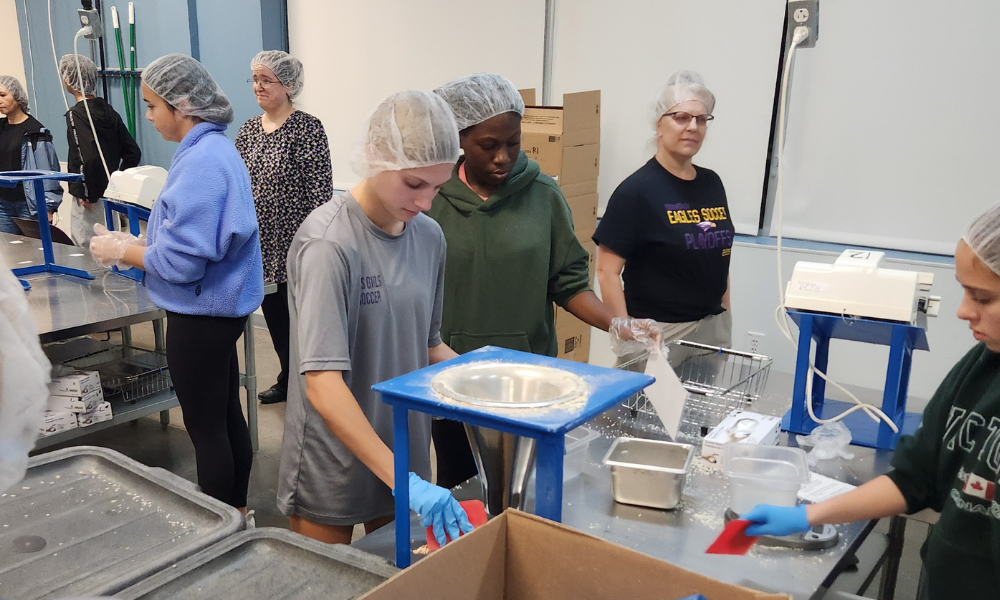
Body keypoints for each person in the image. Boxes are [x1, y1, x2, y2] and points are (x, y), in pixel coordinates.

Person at [744, 202, 1000, 600]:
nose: (963, 311)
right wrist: (806, 515)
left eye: (982, 298)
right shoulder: (981, 367)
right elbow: (914, 480)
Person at [427, 73, 659, 488]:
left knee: (524, 491)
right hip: (452, 375)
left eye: (513, 143)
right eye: (488, 145)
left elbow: (568, 283)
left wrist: (617, 323)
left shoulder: (542, 196)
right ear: (458, 139)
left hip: (529, 380)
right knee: (459, 488)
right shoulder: (430, 199)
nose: (503, 157)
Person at [277, 89, 472, 547]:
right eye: (413, 184)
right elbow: (323, 384)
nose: (426, 202)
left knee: (394, 584)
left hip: (403, 450)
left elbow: (429, 345)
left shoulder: (429, 238)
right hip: (335, 463)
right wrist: (405, 482)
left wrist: (489, 389)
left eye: (438, 187)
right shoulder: (329, 245)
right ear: (373, 158)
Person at [89, 54, 264, 513]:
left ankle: (217, 525)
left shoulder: (203, 162)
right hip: (218, 310)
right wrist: (143, 241)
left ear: (181, 104)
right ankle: (238, 511)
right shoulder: (212, 150)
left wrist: (122, 251)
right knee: (226, 417)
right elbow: (194, 236)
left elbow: (184, 264)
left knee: (206, 428)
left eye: (151, 106)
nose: (147, 116)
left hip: (200, 314)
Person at [594, 70, 734, 369]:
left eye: (701, 119)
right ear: (659, 124)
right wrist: (628, 334)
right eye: (681, 117)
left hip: (711, 328)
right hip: (658, 332)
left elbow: (719, 255)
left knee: (703, 416)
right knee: (644, 415)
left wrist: (725, 315)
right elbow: (606, 271)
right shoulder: (637, 190)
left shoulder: (712, 184)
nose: (692, 126)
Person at [235, 50, 332, 406]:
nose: (258, 86)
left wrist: (318, 245)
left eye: (266, 80)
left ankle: (314, 385)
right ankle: (288, 378)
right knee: (276, 319)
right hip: (260, 246)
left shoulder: (307, 128)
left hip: (297, 245)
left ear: (288, 85)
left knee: (304, 323)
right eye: (255, 80)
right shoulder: (248, 130)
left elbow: (320, 191)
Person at [59, 54, 142, 248]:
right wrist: (115, 186)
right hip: (110, 198)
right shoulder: (109, 110)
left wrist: (88, 194)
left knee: (87, 253)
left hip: (89, 199)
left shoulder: (77, 114)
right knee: (110, 250)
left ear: (70, 80)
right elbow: (133, 152)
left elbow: (86, 156)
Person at [0, 75, 62, 234]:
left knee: (34, 250)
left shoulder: (35, 132)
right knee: (10, 251)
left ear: (17, 97)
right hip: (3, 204)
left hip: (29, 204)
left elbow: (48, 172)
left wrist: (48, 207)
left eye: (3, 95)